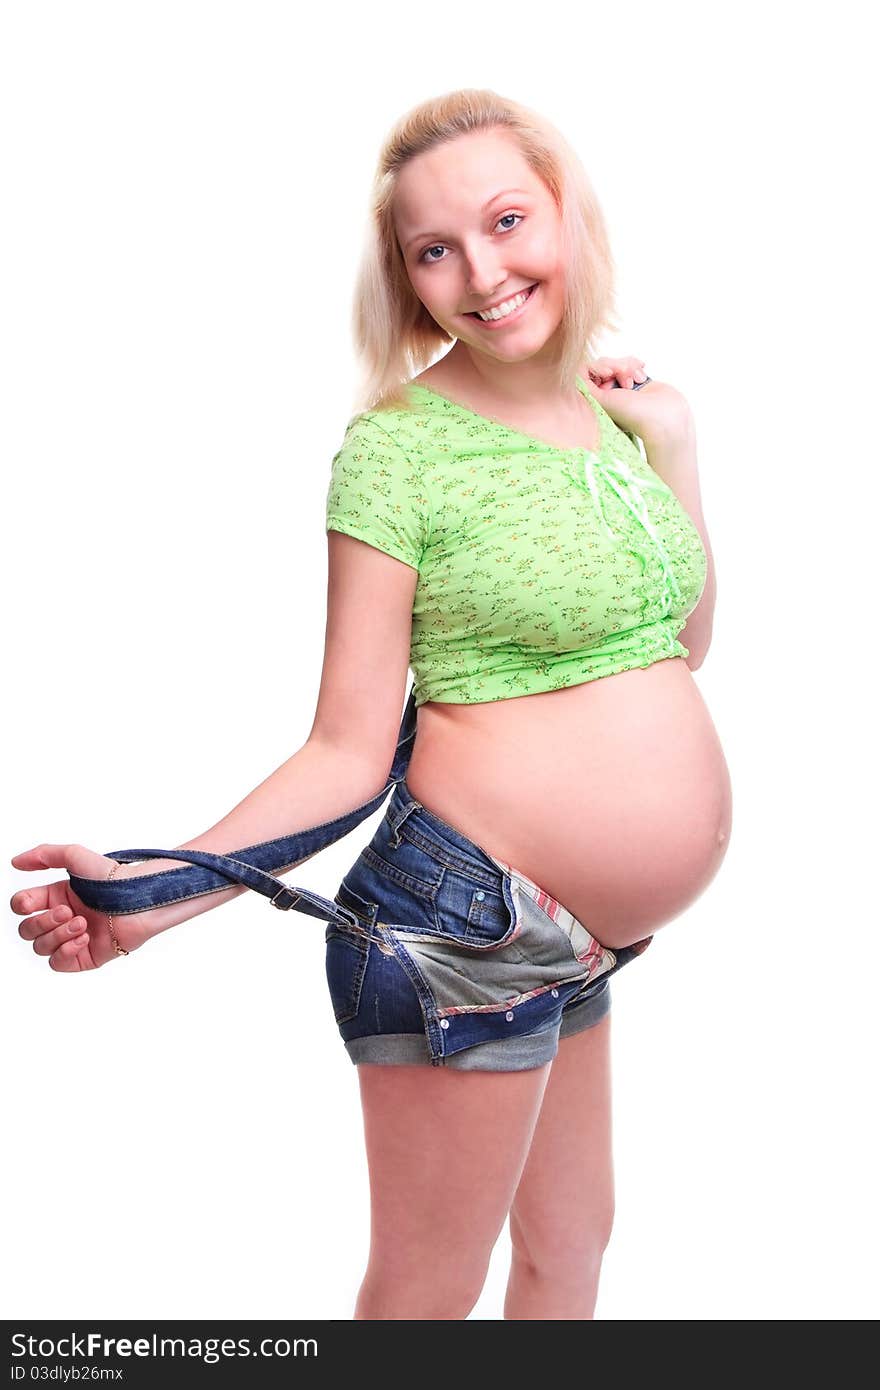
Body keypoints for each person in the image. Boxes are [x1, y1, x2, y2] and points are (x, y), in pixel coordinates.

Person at [10, 87, 732, 1319]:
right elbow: (345, 746)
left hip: (577, 940)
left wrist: (671, 441)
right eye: (435, 249)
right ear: (405, 279)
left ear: (567, 214)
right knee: (423, 1297)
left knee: (571, 1247)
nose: (483, 272)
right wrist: (147, 896)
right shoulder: (397, 452)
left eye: (508, 222)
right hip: (465, 924)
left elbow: (675, 645)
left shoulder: (612, 418)